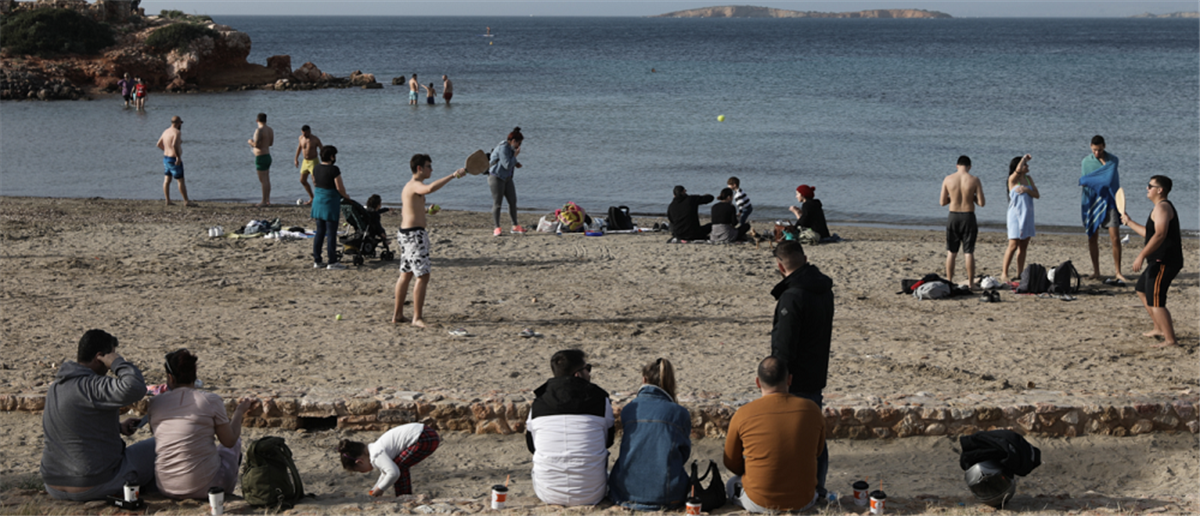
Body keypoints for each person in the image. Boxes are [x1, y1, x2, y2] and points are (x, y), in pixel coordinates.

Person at [41, 330, 156, 501]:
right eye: (111, 354)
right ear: (99, 357)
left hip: (53, 484)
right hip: (93, 483)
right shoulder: (93, 385)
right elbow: (135, 387)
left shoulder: (56, 386)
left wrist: (117, 427)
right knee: (161, 444)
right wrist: (117, 363)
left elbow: (72, 425)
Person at [768, 240, 834, 499]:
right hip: (815, 371)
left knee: (793, 435)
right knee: (815, 434)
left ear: (780, 266)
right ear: (805, 259)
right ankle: (817, 486)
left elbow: (784, 344)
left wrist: (778, 379)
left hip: (794, 378)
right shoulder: (823, 290)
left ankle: (798, 487)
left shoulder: (793, 296)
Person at [146, 349, 256, 499]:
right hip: (204, 487)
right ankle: (223, 496)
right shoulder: (210, 400)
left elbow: (156, 434)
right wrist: (239, 412)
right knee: (235, 444)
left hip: (166, 487)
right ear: (194, 375)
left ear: (170, 378)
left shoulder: (155, 402)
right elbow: (229, 441)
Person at [723, 356, 826, 513]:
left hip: (760, 502)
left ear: (758, 382)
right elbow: (818, 451)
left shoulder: (743, 413)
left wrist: (756, 469)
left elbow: (730, 462)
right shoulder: (812, 409)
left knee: (731, 483)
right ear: (789, 380)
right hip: (804, 500)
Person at [526, 349, 615, 506]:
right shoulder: (600, 401)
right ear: (578, 374)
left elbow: (532, 446)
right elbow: (608, 441)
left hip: (548, 493)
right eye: (588, 368)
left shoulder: (538, 404)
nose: (589, 373)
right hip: (592, 493)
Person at [608, 358, 691, 511]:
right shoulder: (679, 413)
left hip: (625, 493)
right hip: (668, 495)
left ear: (644, 380)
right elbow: (684, 453)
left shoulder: (629, 409)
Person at [393, 154, 465, 328]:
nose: (431, 170)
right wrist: (453, 175)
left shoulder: (409, 186)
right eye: (429, 166)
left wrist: (426, 211)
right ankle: (417, 318)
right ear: (419, 168)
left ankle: (398, 315)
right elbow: (431, 188)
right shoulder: (415, 185)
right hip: (414, 236)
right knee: (423, 276)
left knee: (406, 274)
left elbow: (408, 210)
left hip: (406, 234)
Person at [1121, 175, 1182, 348]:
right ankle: (1158, 328)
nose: (1147, 188)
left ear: (1160, 190)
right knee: (1141, 289)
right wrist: (1129, 222)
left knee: (1157, 301)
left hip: (1165, 261)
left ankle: (1170, 340)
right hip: (1157, 260)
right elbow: (1150, 234)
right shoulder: (1158, 208)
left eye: (1150, 186)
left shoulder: (1163, 207)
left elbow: (1160, 234)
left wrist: (1141, 255)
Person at [336, 423, 441, 497]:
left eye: (360, 470)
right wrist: (374, 489)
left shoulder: (376, 455)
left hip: (424, 438)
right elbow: (385, 472)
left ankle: (404, 497)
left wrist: (380, 489)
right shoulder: (375, 449)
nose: (363, 472)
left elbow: (393, 473)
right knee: (397, 465)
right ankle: (405, 496)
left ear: (360, 462)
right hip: (427, 433)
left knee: (398, 467)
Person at [1081, 135, 1129, 285]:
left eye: (1100, 150)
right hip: (1092, 201)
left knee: (1115, 237)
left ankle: (1118, 272)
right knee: (1092, 237)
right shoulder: (1086, 162)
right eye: (1094, 150)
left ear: (1104, 147)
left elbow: (1108, 180)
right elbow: (1085, 181)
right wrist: (1094, 181)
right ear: (1090, 147)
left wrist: (1101, 168)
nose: (1097, 153)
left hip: (1111, 200)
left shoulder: (1113, 160)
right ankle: (1096, 271)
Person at [940, 155, 986, 288]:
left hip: (953, 216)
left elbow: (942, 202)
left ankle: (949, 281)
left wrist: (953, 197)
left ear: (957, 166)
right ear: (969, 167)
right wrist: (971, 197)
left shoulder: (948, 179)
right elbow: (982, 203)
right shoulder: (974, 180)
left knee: (951, 252)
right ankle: (971, 283)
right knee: (968, 252)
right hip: (968, 216)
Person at [310, 146, 350, 269]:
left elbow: (315, 182)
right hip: (330, 203)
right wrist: (346, 196)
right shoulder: (334, 169)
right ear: (332, 157)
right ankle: (332, 261)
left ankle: (317, 260)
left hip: (318, 201)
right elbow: (339, 187)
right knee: (331, 233)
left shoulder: (316, 168)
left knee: (320, 232)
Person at [1002, 154, 1039, 283]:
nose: (1027, 166)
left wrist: (1027, 190)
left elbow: (1037, 194)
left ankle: (1019, 273)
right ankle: (1004, 273)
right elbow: (1017, 171)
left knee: (1023, 246)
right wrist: (1023, 159)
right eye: (1025, 165)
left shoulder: (1028, 179)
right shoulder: (1012, 179)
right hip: (1015, 217)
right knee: (1013, 245)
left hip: (1027, 216)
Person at [487, 127, 527, 236]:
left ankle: (515, 226)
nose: (519, 146)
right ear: (513, 141)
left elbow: (508, 161)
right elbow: (507, 164)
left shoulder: (510, 148)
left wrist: (516, 163)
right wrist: (515, 156)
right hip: (496, 177)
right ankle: (497, 228)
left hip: (507, 178)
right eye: (519, 143)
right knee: (497, 203)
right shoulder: (503, 147)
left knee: (512, 201)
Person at [156, 116, 196, 207]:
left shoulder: (166, 131)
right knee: (180, 180)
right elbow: (174, 144)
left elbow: (158, 144)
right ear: (178, 123)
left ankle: (168, 200)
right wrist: (178, 157)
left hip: (166, 158)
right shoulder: (177, 132)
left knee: (167, 180)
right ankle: (186, 201)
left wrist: (167, 150)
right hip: (174, 159)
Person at [248, 113, 274, 206]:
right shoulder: (270, 130)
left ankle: (264, 201)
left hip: (261, 157)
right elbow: (270, 143)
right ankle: (267, 199)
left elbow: (257, 145)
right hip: (267, 156)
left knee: (263, 180)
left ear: (257, 120)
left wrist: (250, 142)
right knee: (267, 179)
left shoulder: (259, 130)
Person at [293, 125, 323, 205]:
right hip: (305, 161)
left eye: (306, 134)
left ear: (309, 131)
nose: (304, 135)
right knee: (302, 180)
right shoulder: (301, 138)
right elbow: (299, 148)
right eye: (303, 133)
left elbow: (322, 149)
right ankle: (311, 197)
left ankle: (319, 198)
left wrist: (324, 161)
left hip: (313, 161)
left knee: (315, 181)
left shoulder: (315, 139)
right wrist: (296, 159)